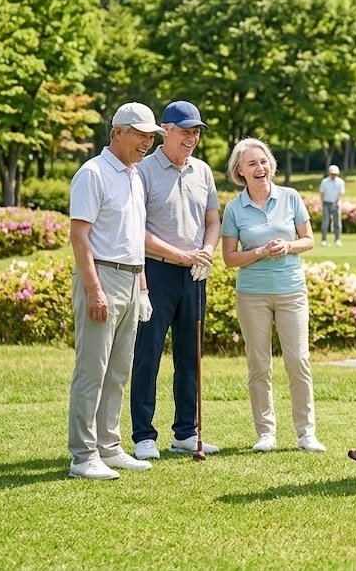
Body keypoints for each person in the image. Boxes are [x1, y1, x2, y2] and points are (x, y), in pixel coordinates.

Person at [66, 102, 164, 480]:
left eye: (151, 136)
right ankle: (82, 456)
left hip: (129, 279)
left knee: (119, 370)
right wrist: (94, 289)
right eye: (141, 134)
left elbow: (133, 237)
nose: (147, 142)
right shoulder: (92, 173)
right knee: (93, 370)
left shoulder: (134, 175)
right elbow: (80, 235)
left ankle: (109, 446)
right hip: (102, 278)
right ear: (119, 131)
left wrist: (141, 285)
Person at [221, 138, 325, 453]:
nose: (260, 168)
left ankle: (306, 433)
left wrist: (288, 246)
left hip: (291, 291)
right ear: (240, 170)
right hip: (252, 294)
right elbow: (229, 258)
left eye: (263, 161)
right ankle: (266, 433)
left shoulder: (290, 198)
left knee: (298, 360)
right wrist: (260, 252)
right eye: (252, 163)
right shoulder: (234, 208)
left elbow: (308, 240)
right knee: (259, 364)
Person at [130, 100, 221, 461]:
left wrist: (208, 251)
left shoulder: (202, 171)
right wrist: (182, 255)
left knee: (190, 356)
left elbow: (212, 221)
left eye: (196, 131)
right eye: (185, 130)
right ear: (165, 130)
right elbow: (136, 230)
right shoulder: (144, 171)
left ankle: (186, 432)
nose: (192, 137)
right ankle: (143, 435)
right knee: (148, 353)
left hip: (196, 272)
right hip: (157, 272)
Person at [319, 164, 345, 247]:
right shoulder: (325, 181)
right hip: (326, 203)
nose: (333, 175)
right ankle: (324, 240)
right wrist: (322, 202)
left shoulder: (340, 182)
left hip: (336, 204)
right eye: (332, 174)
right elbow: (322, 193)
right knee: (325, 222)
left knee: (337, 223)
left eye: (335, 174)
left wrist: (336, 201)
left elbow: (340, 193)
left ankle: (337, 239)